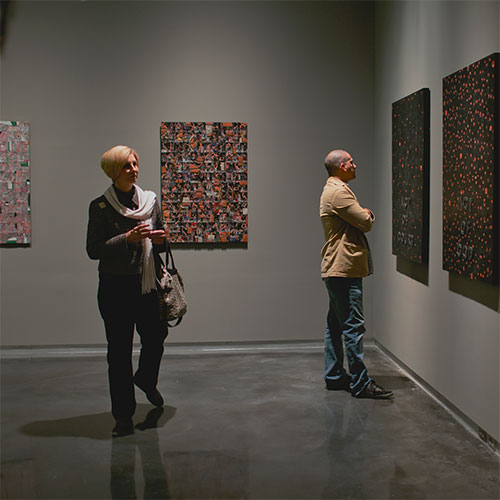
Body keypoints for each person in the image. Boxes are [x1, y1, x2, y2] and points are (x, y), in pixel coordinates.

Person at [87, 145, 169, 436]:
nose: (133, 170)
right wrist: (127, 239)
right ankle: (123, 416)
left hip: (147, 285)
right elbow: (93, 250)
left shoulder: (149, 201)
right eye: (126, 166)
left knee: (157, 336)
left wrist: (160, 239)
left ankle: (146, 379)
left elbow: (161, 240)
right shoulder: (100, 206)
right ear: (113, 171)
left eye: (135, 164)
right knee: (119, 354)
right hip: (115, 288)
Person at [320, 149, 393, 399]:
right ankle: (360, 384)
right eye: (351, 161)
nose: (354, 164)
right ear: (341, 166)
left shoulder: (333, 189)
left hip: (338, 267)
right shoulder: (338, 192)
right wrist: (369, 213)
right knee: (352, 325)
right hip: (344, 268)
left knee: (336, 324)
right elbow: (364, 221)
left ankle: (334, 375)